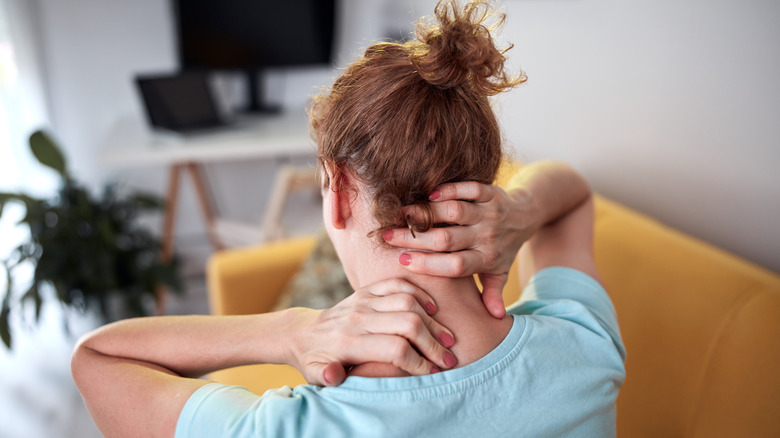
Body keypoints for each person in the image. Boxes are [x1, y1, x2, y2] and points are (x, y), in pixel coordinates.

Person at [72, 1, 625, 436]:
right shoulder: (582, 344)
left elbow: (95, 356)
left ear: (337, 191)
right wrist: (521, 212)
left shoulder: (286, 426)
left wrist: (290, 330)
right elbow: (572, 194)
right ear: (483, 184)